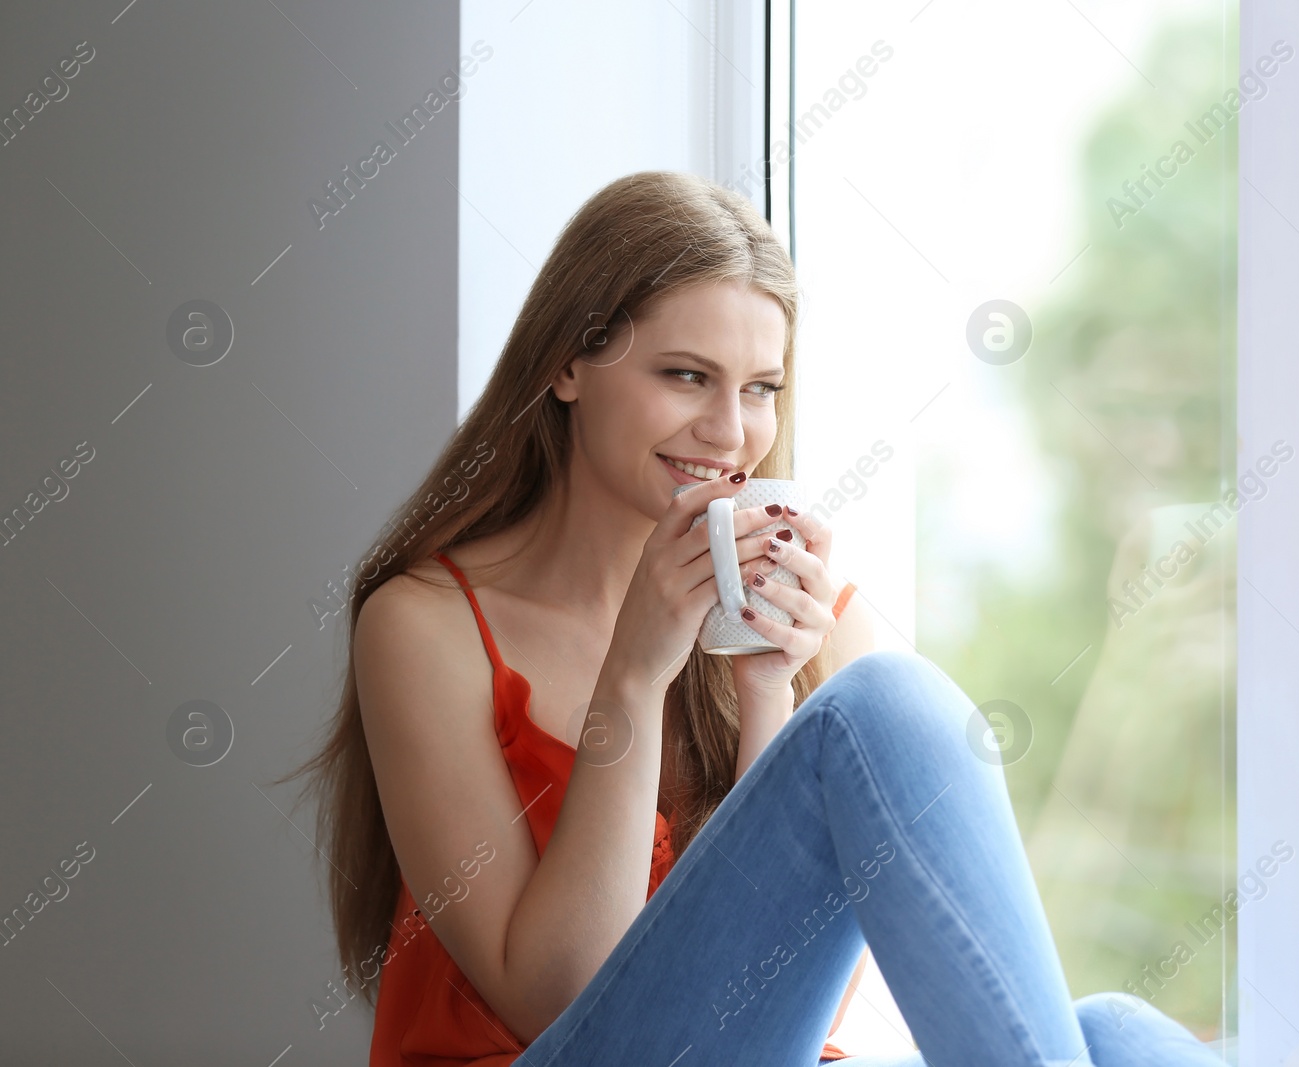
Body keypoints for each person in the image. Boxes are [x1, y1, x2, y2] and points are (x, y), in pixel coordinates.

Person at [280, 170, 1226, 1066]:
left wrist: (767, 687)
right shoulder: (424, 627)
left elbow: (786, 987)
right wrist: (635, 674)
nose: (731, 431)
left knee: (1120, 1033)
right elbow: (556, 999)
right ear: (569, 363)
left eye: (761, 388)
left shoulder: (809, 621)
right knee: (885, 702)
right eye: (687, 376)